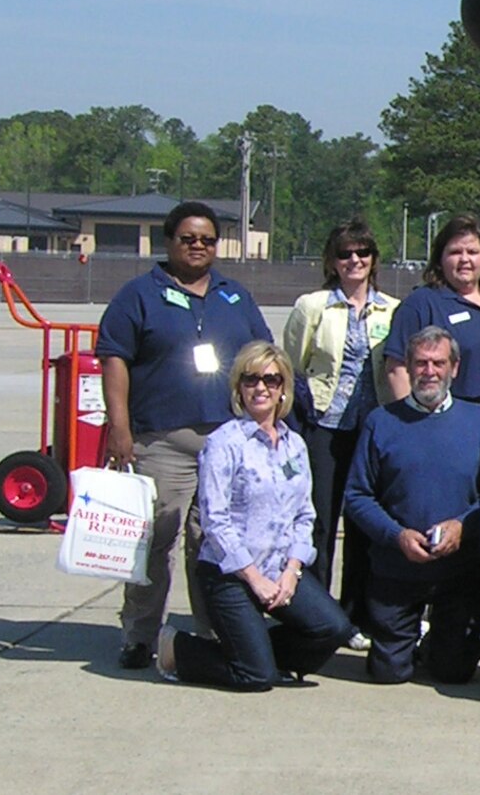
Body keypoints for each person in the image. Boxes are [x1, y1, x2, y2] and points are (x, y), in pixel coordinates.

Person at [95, 199, 273, 670]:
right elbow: (114, 359)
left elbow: (262, 357)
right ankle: (138, 634)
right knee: (156, 539)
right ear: (168, 242)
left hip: (226, 441)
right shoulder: (139, 295)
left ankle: (216, 631)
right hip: (163, 440)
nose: (198, 246)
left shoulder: (234, 295)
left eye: (208, 240)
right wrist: (120, 428)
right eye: (188, 238)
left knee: (213, 542)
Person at [154, 342, 356, 689]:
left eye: (271, 380)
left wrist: (292, 571)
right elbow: (215, 521)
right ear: (239, 388)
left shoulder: (295, 445)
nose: (260, 388)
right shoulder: (224, 443)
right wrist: (254, 578)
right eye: (251, 380)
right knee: (256, 678)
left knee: (333, 629)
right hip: (230, 572)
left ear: (283, 389)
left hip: (278, 567)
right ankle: (180, 649)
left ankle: (252, 652)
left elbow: (305, 516)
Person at [344, 327, 480, 685]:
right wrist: (396, 535)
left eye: (438, 363)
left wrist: (464, 525)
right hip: (396, 568)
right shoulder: (381, 422)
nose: (429, 371)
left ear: (455, 368)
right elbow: (356, 496)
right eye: (420, 363)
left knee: (453, 672)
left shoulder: (478, 422)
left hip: (458, 571)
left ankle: (438, 642)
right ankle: (404, 640)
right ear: (409, 368)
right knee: (389, 674)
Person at [281, 220, 398, 640]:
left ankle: (354, 615)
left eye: (363, 253)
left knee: (364, 525)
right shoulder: (312, 306)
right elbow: (293, 365)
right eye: (346, 254)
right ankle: (315, 611)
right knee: (320, 522)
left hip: (373, 429)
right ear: (332, 260)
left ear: (373, 259)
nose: (355, 261)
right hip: (325, 427)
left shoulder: (391, 308)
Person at [383, 215, 480, 455]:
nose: (465, 259)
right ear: (440, 258)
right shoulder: (421, 304)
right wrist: (414, 424)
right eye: (455, 252)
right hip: (445, 416)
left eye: (473, 252)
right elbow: (396, 369)